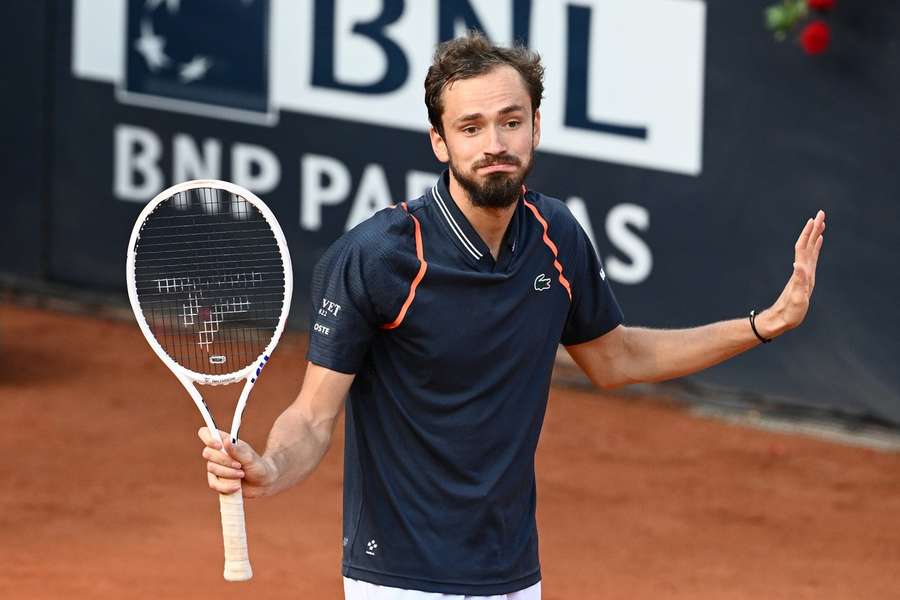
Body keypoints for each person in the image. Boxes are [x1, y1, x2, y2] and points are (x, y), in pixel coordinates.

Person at [199, 33, 826, 599]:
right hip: (398, 576)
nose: (494, 145)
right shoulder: (379, 255)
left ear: (535, 128)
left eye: (510, 122)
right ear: (439, 141)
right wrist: (272, 467)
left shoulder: (557, 235)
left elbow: (617, 358)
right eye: (470, 128)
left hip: (512, 571)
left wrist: (761, 324)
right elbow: (313, 414)